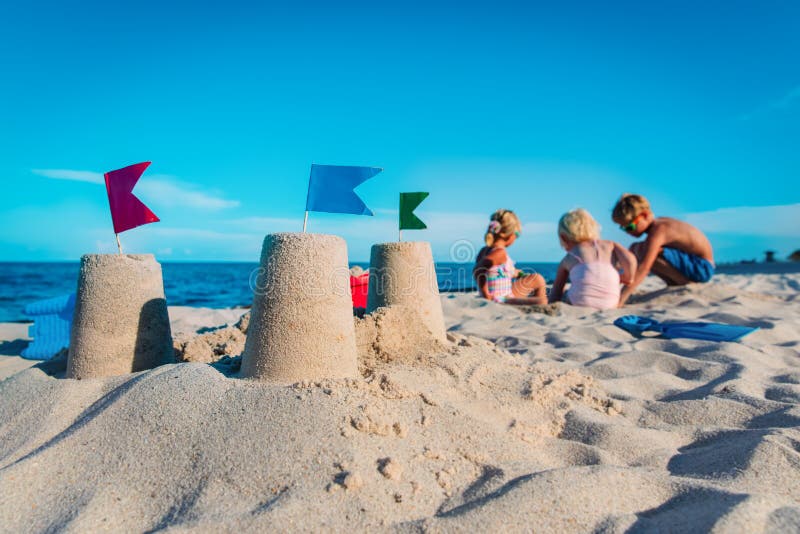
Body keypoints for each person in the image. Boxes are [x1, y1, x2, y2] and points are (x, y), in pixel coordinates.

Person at [612, 193, 715, 306]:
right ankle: (674, 283)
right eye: (623, 228)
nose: (627, 231)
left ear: (645, 215)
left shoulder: (659, 229)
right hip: (694, 263)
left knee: (646, 253)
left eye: (630, 227)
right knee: (636, 248)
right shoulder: (659, 224)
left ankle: (685, 283)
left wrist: (620, 300)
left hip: (702, 267)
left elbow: (644, 267)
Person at [549, 208, 637, 309]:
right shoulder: (610, 245)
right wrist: (628, 278)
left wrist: (551, 303)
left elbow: (556, 291)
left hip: (579, 302)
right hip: (610, 303)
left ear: (563, 237)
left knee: (566, 293)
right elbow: (630, 260)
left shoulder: (569, 257)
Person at [473, 209, 548, 305]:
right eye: (517, 234)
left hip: (503, 295)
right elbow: (479, 269)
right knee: (542, 300)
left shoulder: (485, 250)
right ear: (509, 235)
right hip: (501, 300)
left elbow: (495, 273)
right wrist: (486, 295)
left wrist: (516, 273)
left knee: (537, 279)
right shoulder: (500, 253)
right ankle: (540, 308)